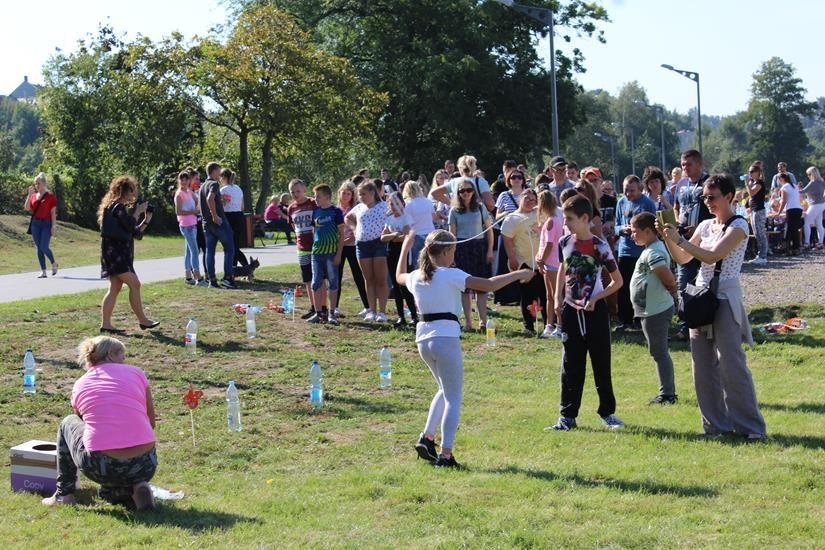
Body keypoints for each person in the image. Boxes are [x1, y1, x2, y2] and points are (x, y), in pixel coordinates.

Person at [396, 230, 532, 468]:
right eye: (454, 251)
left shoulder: (417, 275)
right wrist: (520, 272)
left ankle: (427, 438)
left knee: (444, 389)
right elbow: (488, 285)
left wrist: (405, 247)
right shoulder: (451, 274)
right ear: (447, 251)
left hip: (423, 339)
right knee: (454, 398)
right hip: (445, 338)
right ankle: (446, 455)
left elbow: (398, 275)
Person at [658, 174, 767, 440]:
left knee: (732, 364)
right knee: (702, 366)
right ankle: (715, 426)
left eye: (713, 197)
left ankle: (751, 428)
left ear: (729, 196)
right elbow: (684, 258)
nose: (708, 202)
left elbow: (714, 255)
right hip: (700, 296)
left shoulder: (738, 225)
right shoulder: (705, 225)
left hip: (725, 298)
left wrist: (681, 241)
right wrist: (669, 238)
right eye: (704, 197)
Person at [42, 336, 157, 509]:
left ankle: (64, 494)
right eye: (122, 356)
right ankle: (137, 486)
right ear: (111, 354)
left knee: (68, 423)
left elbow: (83, 422)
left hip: (101, 465)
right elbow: (151, 421)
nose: (124, 361)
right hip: (145, 464)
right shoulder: (137, 373)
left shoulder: (81, 384)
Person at [550, 195, 624, 431]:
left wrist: (595, 298)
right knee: (571, 363)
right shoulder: (564, 242)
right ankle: (567, 416)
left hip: (595, 312)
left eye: (570, 219)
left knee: (601, 362)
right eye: (564, 218)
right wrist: (557, 296)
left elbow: (617, 281)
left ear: (585, 218)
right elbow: (563, 267)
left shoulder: (599, 246)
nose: (566, 223)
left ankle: (608, 413)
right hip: (571, 311)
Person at [97, 176, 159, 334]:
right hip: (116, 255)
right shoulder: (117, 207)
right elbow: (130, 225)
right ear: (123, 191)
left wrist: (146, 221)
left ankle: (106, 324)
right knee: (135, 284)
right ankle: (143, 320)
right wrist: (137, 211)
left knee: (115, 288)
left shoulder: (115, 207)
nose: (134, 193)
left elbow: (133, 232)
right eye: (131, 189)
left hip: (115, 254)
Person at [629, 212, 678, 404]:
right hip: (650, 309)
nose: (632, 235)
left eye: (635, 231)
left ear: (648, 231)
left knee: (659, 352)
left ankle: (668, 394)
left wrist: (672, 287)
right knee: (657, 351)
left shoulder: (654, 252)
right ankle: (667, 391)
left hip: (656, 310)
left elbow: (667, 277)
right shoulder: (650, 249)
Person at [673, 150, 711, 340]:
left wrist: (698, 228)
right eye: (682, 164)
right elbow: (677, 207)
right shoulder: (681, 185)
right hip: (685, 241)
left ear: (699, 164)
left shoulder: (709, 184)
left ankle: (706, 322)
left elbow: (716, 212)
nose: (685, 168)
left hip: (706, 243)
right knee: (684, 283)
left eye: (688, 164)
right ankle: (686, 325)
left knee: (705, 284)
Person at [448, 179, 493, 332]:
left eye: (469, 190)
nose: (466, 193)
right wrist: (451, 255)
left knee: (481, 287)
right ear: (458, 193)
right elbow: (451, 235)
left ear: (474, 192)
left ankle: (483, 322)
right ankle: (468, 323)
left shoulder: (480, 208)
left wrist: (489, 250)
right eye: (462, 191)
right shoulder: (453, 211)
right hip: (461, 249)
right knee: (464, 288)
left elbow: (489, 230)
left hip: (479, 248)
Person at [613, 175, 657, 331]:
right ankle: (625, 320)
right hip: (625, 251)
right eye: (625, 190)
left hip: (642, 251)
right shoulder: (621, 202)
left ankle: (641, 319)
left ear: (640, 189)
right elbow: (616, 225)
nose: (628, 193)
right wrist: (621, 230)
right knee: (624, 286)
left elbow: (654, 226)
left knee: (642, 286)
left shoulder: (647, 203)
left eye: (632, 190)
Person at [501, 189, 546, 335]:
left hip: (542, 259)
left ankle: (548, 324)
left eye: (533, 199)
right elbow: (507, 240)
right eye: (527, 198)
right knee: (527, 295)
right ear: (520, 199)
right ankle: (529, 326)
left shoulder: (540, 214)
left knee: (544, 294)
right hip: (524, 262)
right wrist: (512, 259)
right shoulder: (512, 218)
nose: (530, 201)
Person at [345, 180, 389, 322]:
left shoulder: (384, 206)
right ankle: (371, 310)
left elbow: (396, 216)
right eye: (359, 194)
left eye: (363, 194)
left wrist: (389, 230)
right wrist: (354, 228)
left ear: (372, 193)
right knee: (368, 279)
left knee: (380, 279)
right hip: (362, 245)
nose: (361, 197)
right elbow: (348, 217)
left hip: (379, 244)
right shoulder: (359, 208)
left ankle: (382, 312)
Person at [308, 184, 345, 325]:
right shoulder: (315, 211)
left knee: (333, 283)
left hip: (331, 253)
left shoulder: (336, 212)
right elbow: (314, 231)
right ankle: (318, 313)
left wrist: (338, 254)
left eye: (318, 196)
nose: (315, 199)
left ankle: (332, 313)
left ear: (327, 196)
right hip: (316, 254)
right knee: (316, 282)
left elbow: (341, 234)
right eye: (315, 196)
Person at [382, 192, 418, 326]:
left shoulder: (406, 217)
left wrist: (394, 236)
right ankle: (401, 316)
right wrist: (395, 234)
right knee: (395, 286)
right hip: (391, 252)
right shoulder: (389, 219)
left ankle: (414, 315)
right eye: (391, 204)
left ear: (402, 203)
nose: (393, 206)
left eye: (396, 203)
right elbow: (382, 237)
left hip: (403, 253)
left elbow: (408, 235)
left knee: (405, 285)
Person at [335, 181, 369, 316]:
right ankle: (335, 306)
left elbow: (358, 228)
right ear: (339, 193)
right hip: (339, 247)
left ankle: (367, 306)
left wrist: (350, 240)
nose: (345, 196)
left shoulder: (355, 209)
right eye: (343, 193)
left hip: (352, 245)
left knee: (358, 276)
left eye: (348, 194)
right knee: (337, 276)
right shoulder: (335, 209)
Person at [200, 162, 237, 289]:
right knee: (229, 248)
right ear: (214, 171)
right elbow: (210, 199)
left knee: (210, 251)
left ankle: (212, 279)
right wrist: (215, 216)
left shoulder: (202, 186)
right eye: (219, 171)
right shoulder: (214, 184)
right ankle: (227, 277)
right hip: (218, 222)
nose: (220, 174)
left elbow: (206, 202)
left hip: (206, 223)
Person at [287, 179, 318, 318]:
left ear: (304, 189)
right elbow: (293, 226)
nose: (295, 194)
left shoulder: (313, 203)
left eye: (298, 191)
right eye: (292, 192)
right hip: (302, 248)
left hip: (317, 246)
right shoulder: (291, 208)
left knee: (319, 279)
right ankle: (313, 307)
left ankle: (322, 308)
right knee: (307, 279)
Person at [535, 190, 563, 338]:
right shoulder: (552, 220)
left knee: (555, 296)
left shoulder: (552, 221)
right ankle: (549, 325)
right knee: (549, 296)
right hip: (550, 263)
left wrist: (542, 259)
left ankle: (559, 326)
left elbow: (550, 244)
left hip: (552, 263)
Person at [24, 172, 59, 278]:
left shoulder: (50, 196)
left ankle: (53, 263)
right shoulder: (34, 196)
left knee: (44, 246)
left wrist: (54, 226)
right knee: (39, 248)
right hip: (35, 224)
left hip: (46, 224)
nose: (36, 185)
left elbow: (53, 212)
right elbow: (27, 208)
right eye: (35, 184)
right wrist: (29, 195)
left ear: (44, 183)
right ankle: (43, 271)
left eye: (38, 183)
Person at [173, 170, 202, 285]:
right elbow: (179, 212)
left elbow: (197, 201)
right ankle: (198, 277)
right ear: (179, 181)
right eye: (182, 179)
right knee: (195, 250)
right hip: (186, 225)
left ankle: (188, 277)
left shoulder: (189, 191)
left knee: (189, 251)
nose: (184, 181)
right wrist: (193, 211)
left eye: (186, 179)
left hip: (193, 224)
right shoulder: (179, 194)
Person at [402, 180, 436, 268]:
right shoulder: (428, 201)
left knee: (418, 262)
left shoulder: (408, 204)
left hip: (416, 235)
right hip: (430, 233)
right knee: (431, 260)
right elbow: (433, 217)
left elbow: (406, 223)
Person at [219, 168, 249, 269]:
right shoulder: (238, 188)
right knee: (235, 244)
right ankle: (234, 268)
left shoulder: (223, 190)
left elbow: (222, 205)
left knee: (231, 247)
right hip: (239, 216)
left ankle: (246, 267)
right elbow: (242, 206)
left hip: (229, 217)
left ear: (223, 177)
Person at [770, 173, 803, 255]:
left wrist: (779, 212)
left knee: (789, 230)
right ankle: (796, 248)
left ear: (781, 179)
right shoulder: (795, 186)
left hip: (791, 209)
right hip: (798, 209)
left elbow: (784, 201)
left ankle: (787, 249)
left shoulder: (784, 187)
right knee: (794, 229)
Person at [801, 166, 825, 250]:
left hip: (814, 205)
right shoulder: (822, 181)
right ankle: (821, 243)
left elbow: (802, 191)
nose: (808, 176)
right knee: (819, 224)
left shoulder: (812, 182)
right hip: (822, 204)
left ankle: (807, 243)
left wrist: (794, 188)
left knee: (806, 222)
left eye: (808, 174)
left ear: (812, 174)